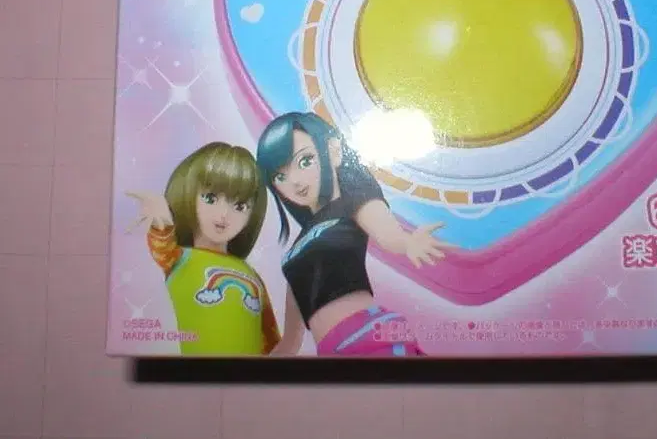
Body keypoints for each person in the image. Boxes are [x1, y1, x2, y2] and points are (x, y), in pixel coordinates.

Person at [256, 111, 447, 357]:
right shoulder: (295, 250)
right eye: (280, 176)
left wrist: (409, 242)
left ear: (334, 150)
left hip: (368, 334)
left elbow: (389, 235)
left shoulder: (350, 203)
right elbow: (291, 341)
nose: (294, 181)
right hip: (331, 351)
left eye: (305, 161)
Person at [127, 141, 280, 356]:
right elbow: (161, 245)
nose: (224, 214)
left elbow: (270, 337)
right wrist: (161, 220)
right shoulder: (177, 257)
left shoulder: (252, 274)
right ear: (187, 194)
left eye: (240, 206)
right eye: (210, 198)